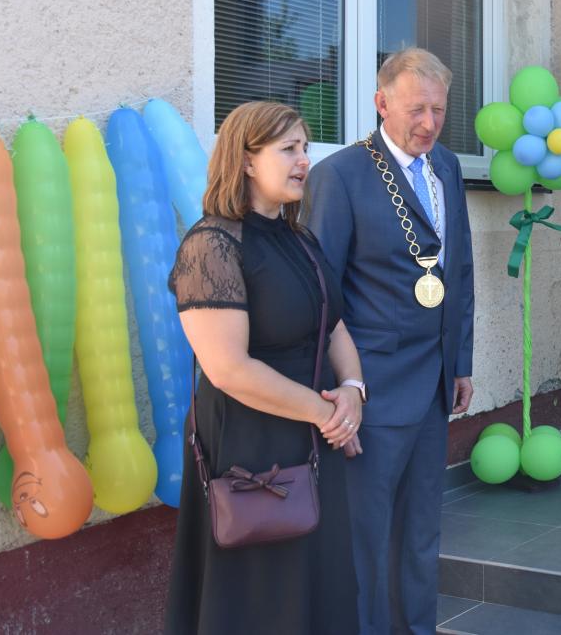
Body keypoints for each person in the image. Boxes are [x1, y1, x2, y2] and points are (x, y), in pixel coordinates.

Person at [165, 101, 365, 634]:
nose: (304, 160)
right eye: (288, 149)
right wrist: (327, 414)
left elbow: (334, 327)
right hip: (249, 442)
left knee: (318, 584)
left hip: (314, 435)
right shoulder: (211, 245)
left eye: (305, 148)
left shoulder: (301, 239)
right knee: (261, 598)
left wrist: (352, 389)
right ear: (247, 160)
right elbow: (228, 369)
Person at [305, 47, 475, 635]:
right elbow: (320, 296)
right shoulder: (340, 176)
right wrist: (336, 394)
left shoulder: (447, 166)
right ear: (381, 103)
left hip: (433, 386)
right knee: (366, 538)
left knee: (422, 532)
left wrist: (460, 362)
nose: (429, 123)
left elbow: (459, 272)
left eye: (438, 110)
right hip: (370, 393)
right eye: (415, 110)